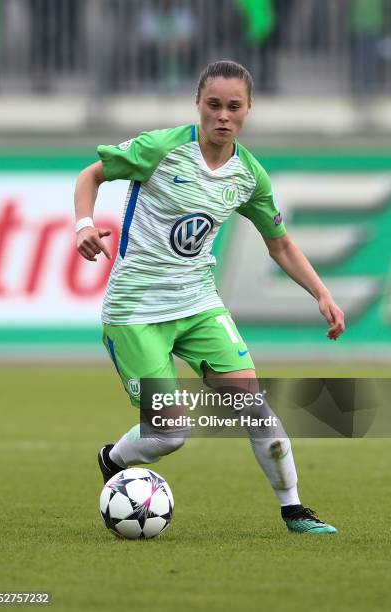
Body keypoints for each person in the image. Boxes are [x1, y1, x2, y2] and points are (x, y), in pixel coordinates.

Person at [74, 60, 345, 534]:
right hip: (136, 311)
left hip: (198, 303)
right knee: (170, 433)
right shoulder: (160, 148)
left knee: (254, 406)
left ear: (248, 110)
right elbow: (90, 176)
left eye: (233, 107)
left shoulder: (248, 175)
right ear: (198, 105)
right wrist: (82, 225)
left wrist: (321, 293)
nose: (223, 115)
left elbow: (278, 242)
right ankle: (113, 458)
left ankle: (295, 510)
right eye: (214, 105)